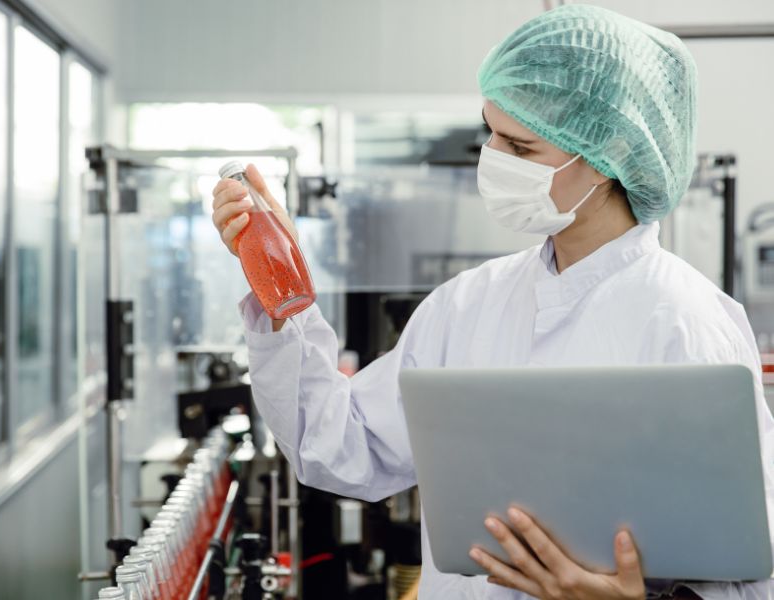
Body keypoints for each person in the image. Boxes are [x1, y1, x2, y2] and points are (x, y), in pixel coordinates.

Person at [211, 4, 774, 599]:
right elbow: (341, 448)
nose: (494, 159)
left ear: (607, 155)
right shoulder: (467, 304)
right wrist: (281, 290)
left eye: (521, 147)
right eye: (491, 134)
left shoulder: (687, 322)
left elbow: (751, 567)